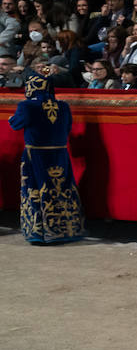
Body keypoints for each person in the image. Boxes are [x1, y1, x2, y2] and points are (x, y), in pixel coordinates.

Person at [8, 74, 84, 244]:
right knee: (61, 189)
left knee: (35, 189)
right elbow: (68, 128)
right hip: (60, 153)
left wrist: (10, 118)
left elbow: (15, 124)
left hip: (35, 154)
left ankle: (39, 232)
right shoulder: (63, 106)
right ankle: (66, 230)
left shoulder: (27, 106)